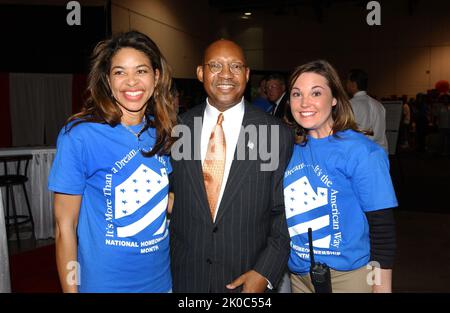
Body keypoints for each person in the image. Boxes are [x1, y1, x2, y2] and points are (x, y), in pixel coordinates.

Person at [48, 31, 177, 292]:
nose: (131, 82)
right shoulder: (80, 135)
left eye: (141, 71)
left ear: (157, 77)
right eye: (119, 72)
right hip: (103, 284)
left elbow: (165, 199)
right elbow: (64, 227)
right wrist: (71, 290)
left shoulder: (163, 132)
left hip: (161, 282)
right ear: (108, 80)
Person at [169, 39, 294, 293]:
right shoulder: (176, 129)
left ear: (247, 75)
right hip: (187, 278)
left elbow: (286, 211)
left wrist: (265, 271)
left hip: (248, 278)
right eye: (215, 65)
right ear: (200, 73)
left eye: (235, 66)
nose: (226, 74)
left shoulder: (273, 133)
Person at [284, 60, 397, 293]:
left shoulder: (362, 152)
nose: (305, 102)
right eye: (297, 94)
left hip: (350, 278)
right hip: (298, 276)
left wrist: (381, 287)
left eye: (316, 92)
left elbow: (382, 230)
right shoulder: (287, 148)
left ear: (334, 98)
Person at [346, 68, 388, 153]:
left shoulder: (349, 105)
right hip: (380, 154)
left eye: (347, 82)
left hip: (361, 155)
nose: (346, 84)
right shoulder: (379, 105)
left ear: (354, 84)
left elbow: (346, 134)